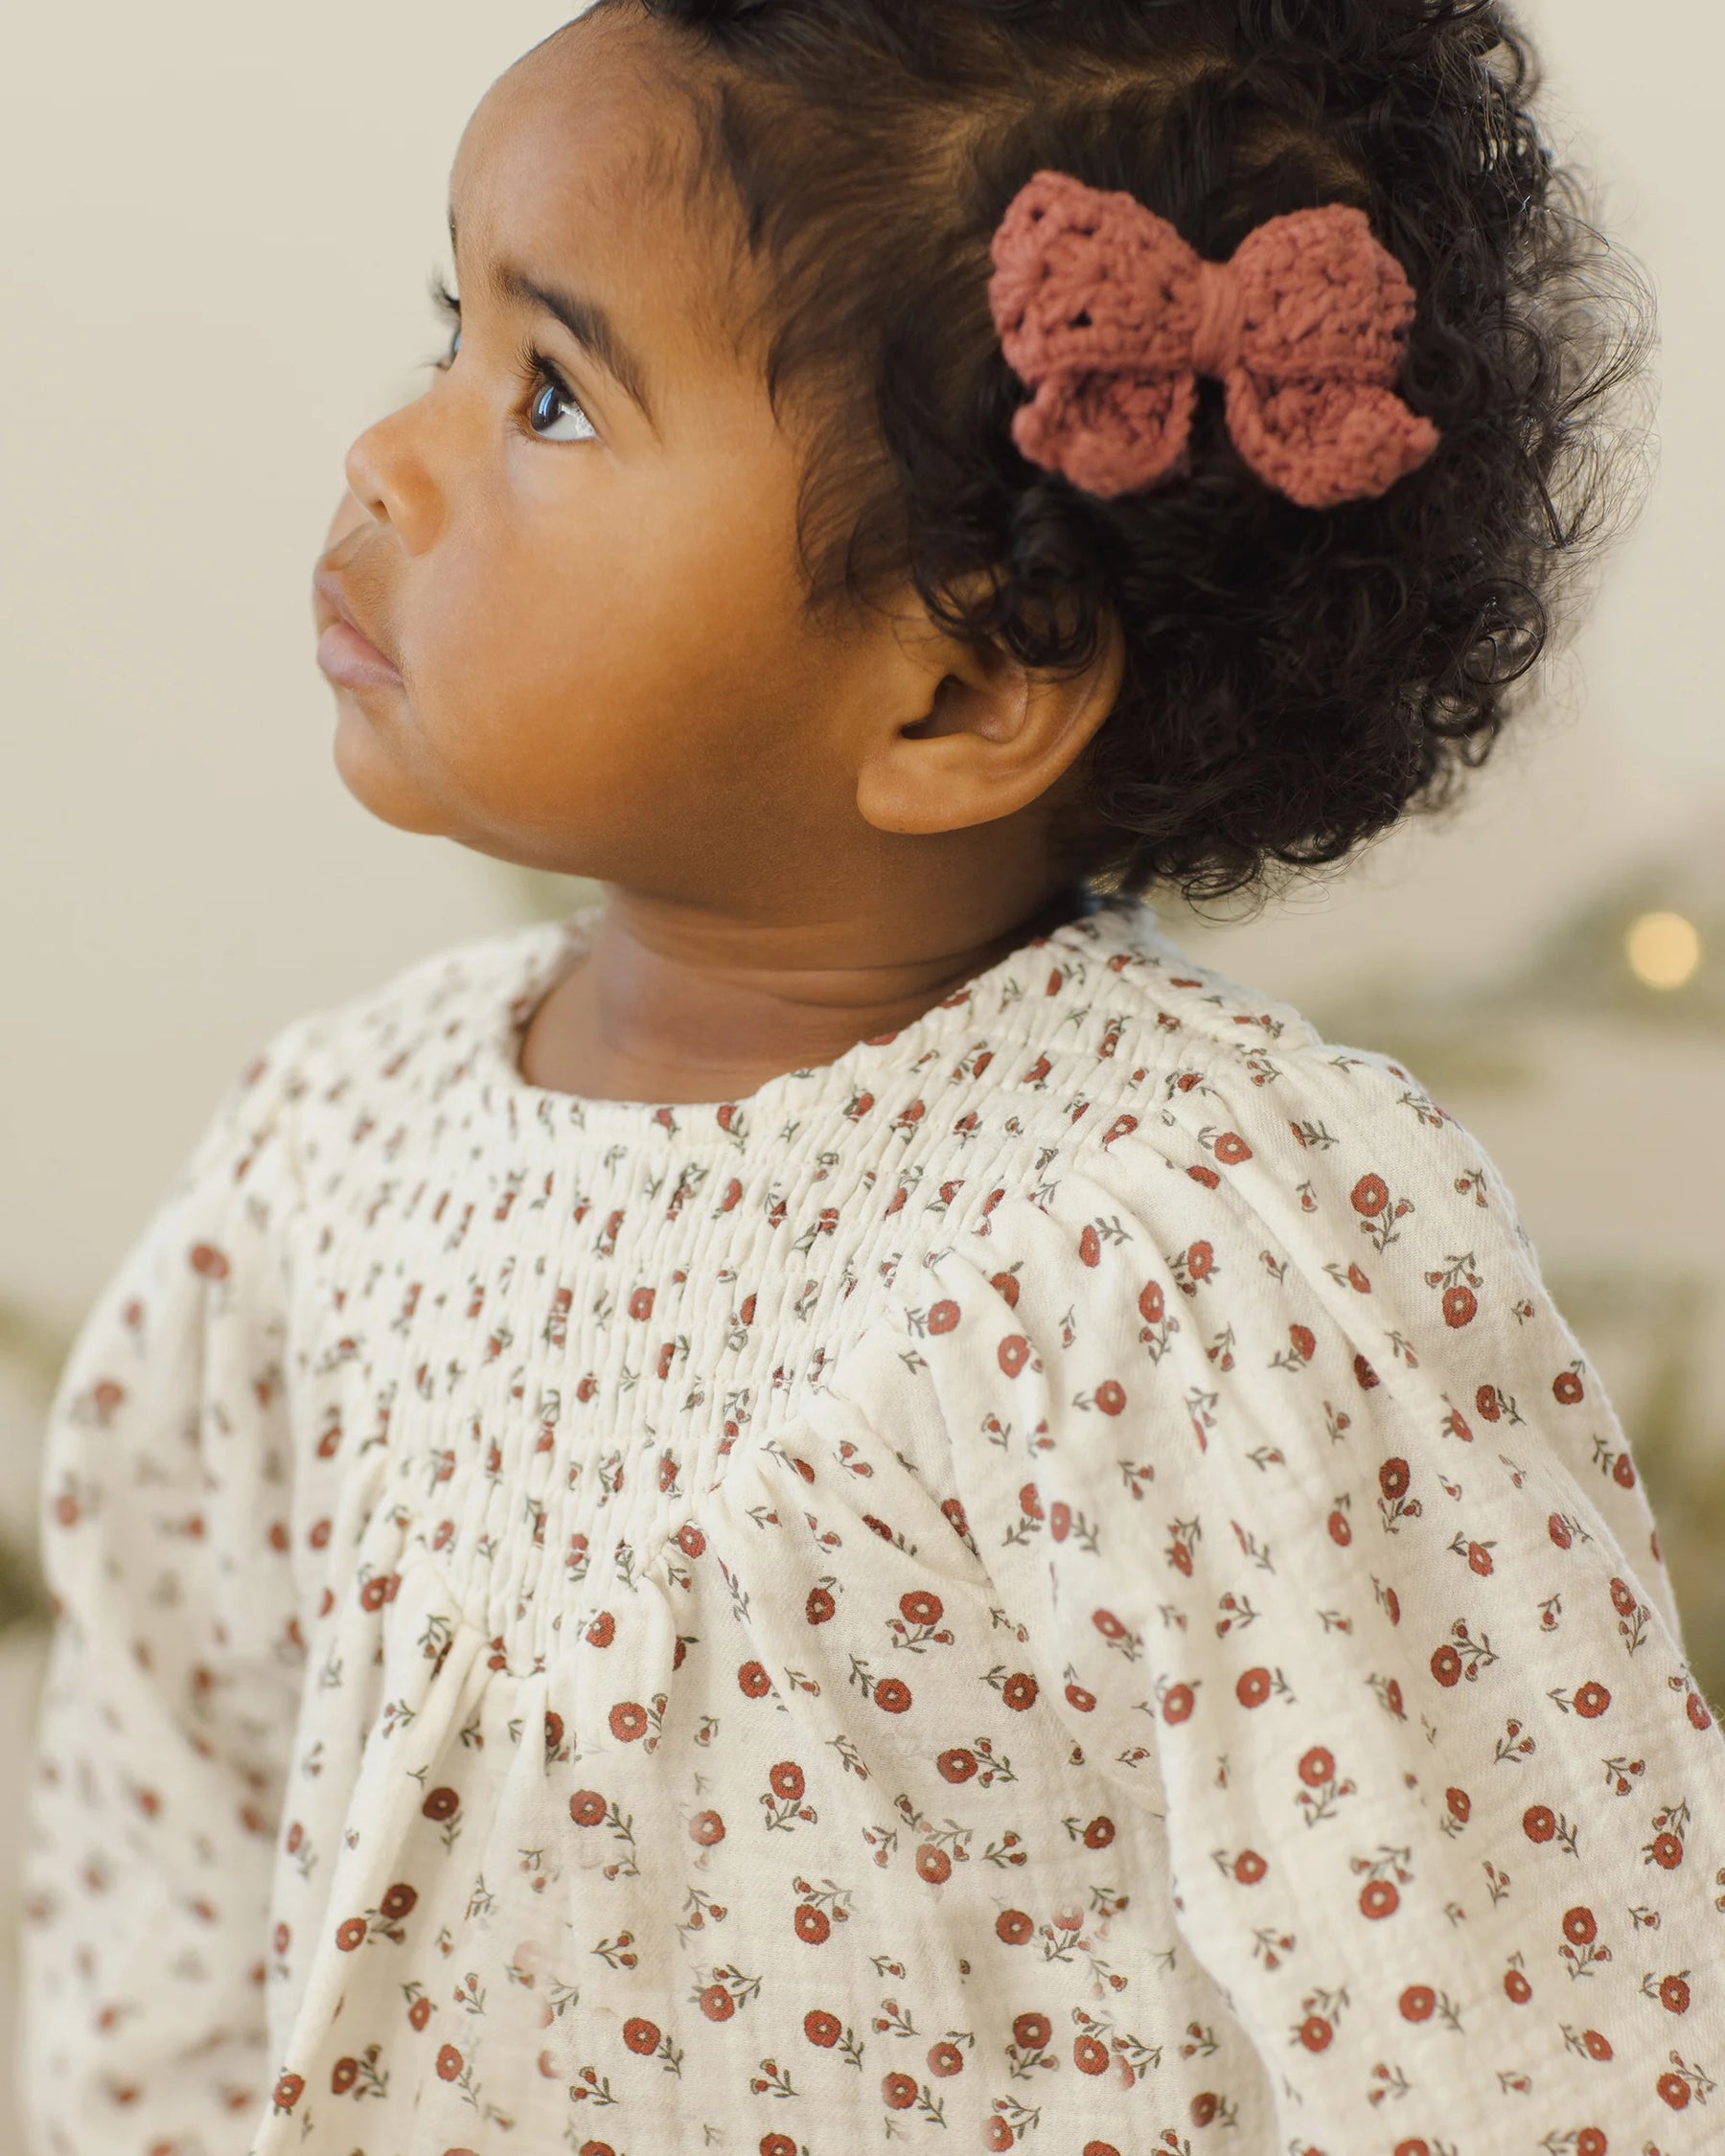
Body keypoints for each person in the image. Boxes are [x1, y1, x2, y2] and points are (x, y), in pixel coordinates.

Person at [18, 2, 1722, 2150]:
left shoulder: (1184, 1254)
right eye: (455, 327)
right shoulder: (324, 1160)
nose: (386, 453)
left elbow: (1541, 2048)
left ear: (960, 688)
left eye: (552, 395)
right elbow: (163, 1870)